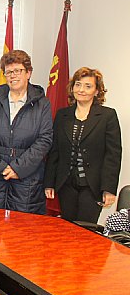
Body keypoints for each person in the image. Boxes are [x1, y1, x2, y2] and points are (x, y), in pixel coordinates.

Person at [0, 49, 53, 214]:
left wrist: (18, 168)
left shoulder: (42, 104)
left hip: (27, 178)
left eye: (18, 71)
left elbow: (44, 140)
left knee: (22, 231)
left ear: (28, 73)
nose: (13, 75)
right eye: (8, 72)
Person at [45, 67, 122, 223]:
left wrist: (109, 189)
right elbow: (55, 151)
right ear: (72, 88)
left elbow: (113, 155)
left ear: (97, 91)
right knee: (68, 228)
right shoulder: (62, 115)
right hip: (66, 184)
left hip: (93, 185)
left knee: (86, 231)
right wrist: (49, 183)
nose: (82, 90)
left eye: (88, 86)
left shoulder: (107, 116)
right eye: (78, 85)